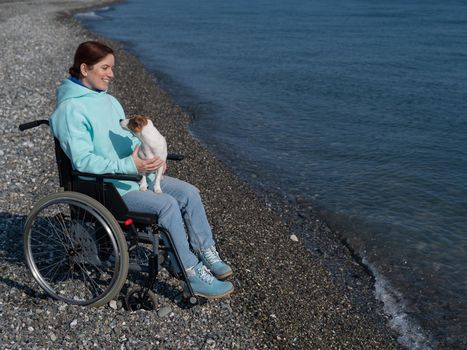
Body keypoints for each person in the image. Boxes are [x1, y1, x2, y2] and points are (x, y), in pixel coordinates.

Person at [49, 41, 234, 299]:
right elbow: (83, 162)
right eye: (105, 68)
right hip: (108, 187)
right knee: (168, 205)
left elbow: (131, 140)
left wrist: (152, 158)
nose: (111, 74)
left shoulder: (110, 101)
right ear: (84, 68)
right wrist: (130, 165)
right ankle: (191, 272)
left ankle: (205, 252)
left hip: (137, 175)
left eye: (112, 68)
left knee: (190, 193)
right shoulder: (70, 110)